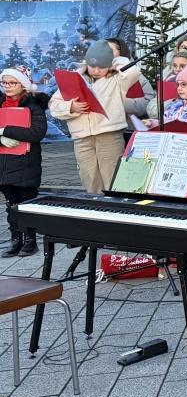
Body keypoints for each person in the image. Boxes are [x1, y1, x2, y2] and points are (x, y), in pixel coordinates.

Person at [49, 40, 142, 194]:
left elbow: (133, 72)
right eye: (93, 66)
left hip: (109, 135)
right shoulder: (75, 77)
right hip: (82, 138)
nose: (97, 71)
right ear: (87, 62)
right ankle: (94, 209)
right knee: (88, 176)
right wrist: (70, 107)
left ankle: (114, 210)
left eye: (102, 67)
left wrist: (114, 59)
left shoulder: (117, 80)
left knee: (112, 177)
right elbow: (54, 105)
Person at [0, 68, 48, 257]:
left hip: (26, 164)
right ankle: (15, 240)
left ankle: (30, 241)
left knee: (26, 203)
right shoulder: (0, 103)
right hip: (4, 165)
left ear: (23, 85)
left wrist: (6, 130)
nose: (7, 87)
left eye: (12, 83)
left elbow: (37, 133)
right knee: (11, 204)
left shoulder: (33, 105)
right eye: (5, 83)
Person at [105, 38, 156, 129]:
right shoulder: (95, 73)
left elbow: (149, 101)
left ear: (121, 52)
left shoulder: (135, 74)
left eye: (110, 50)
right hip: (104, 128)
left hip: (130, 127)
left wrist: (118, 103)